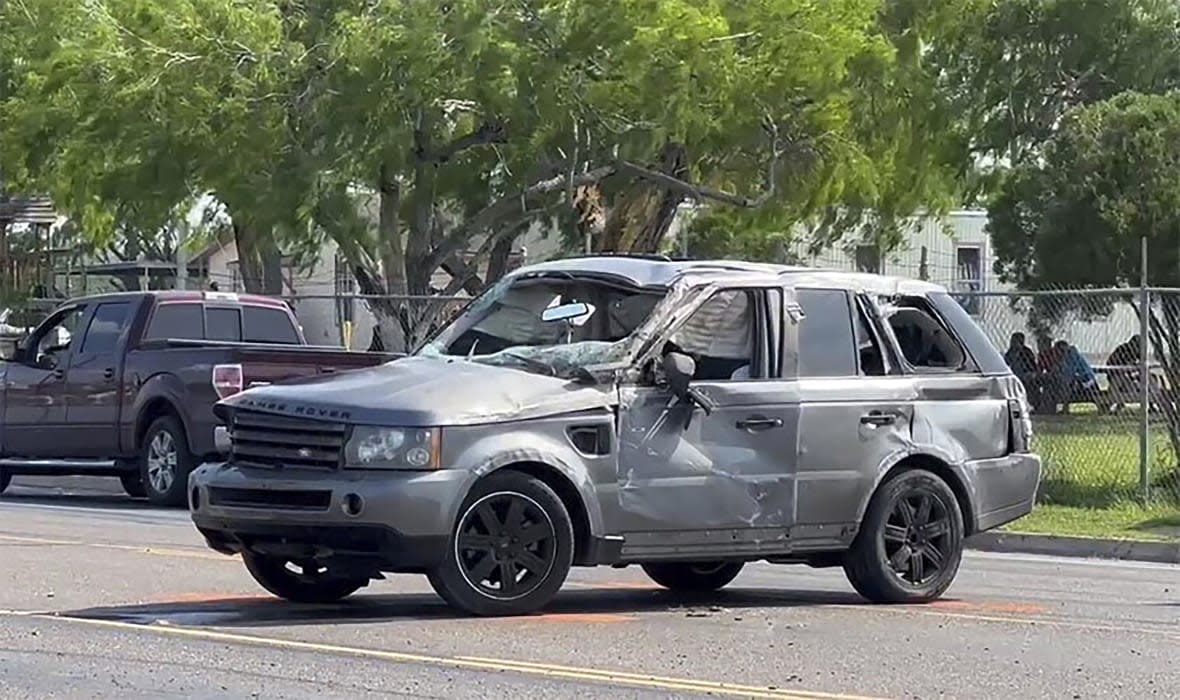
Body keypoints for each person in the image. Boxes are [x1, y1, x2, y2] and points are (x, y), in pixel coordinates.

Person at [1106, 335, 1141, 412]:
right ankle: (1109, 404)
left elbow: (1140, 365)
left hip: (1128, 376)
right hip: (1115, 374)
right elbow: (1111, 364)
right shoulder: (1122, 349)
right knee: (1118, 381)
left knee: (1149, 379)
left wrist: (1136, 374)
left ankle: (1152, 405)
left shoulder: (1138, 351)